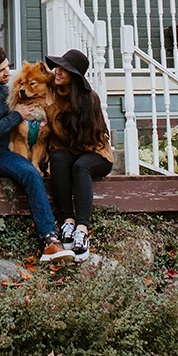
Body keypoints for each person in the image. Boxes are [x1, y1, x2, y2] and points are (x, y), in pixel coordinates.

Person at [0, 44, 75, 262]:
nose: (7, 73)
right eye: (0, 70)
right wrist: (16, 115)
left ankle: (49, 238)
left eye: (7, 67)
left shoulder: (12, 89)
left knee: (30, 172)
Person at [45, 48, 114, 260]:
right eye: (58, 67)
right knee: (57, 159)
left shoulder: (88, 99)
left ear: (74, 76)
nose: (57, 72)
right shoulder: (55, 91)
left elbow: (75, 138)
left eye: (64, 69)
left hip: (94, 152)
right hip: (70, 151)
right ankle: (68, 221)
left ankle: (82, 230)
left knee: (80, 166)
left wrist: (50, 109)